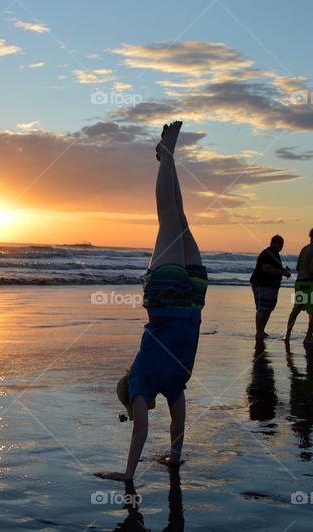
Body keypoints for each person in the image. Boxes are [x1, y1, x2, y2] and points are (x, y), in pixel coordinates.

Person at [98, 121, 207, 481]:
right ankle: (167, 155)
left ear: (130, 396)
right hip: (173, 303)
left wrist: (128, 474)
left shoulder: (149, 385)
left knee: (175, 220)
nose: (140, 410)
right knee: (176, 220)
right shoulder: (154, 381)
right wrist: (173, 456)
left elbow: (148, 429)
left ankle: (169, 154)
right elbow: (171, 424)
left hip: (188, 305)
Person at [284, 227, 313, 344]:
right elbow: (312, 270)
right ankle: (308, 337)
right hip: (309, 283)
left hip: (299, 282)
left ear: (310, 236)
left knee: (296, 310)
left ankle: (287, 335)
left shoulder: (304, 248)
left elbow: (297, 267)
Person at [249, 235, 290, 338]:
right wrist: (282, 272)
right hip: (262, 284)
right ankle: (259, 332)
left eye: (282, 244)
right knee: (262, 308)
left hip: (270, 286)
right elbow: (267, 269)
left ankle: (261, 330)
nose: (281, 246)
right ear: (272, 243)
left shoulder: (274, 253)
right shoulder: (268, 253)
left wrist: (283, 271)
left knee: (268, 308)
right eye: (279, 243)